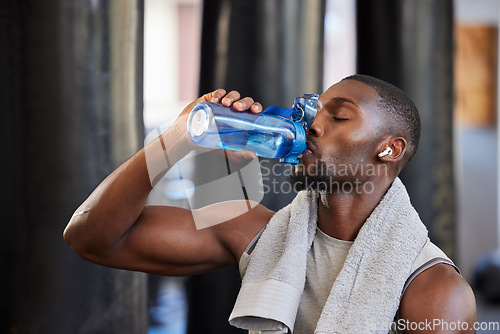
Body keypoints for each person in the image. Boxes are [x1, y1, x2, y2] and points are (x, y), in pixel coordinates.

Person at [64, 74, 477, 333]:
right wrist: (178, 137)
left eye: (339, 116)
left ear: (388, 150)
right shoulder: (264, 235)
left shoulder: (435, 291)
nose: (313, 124)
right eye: (316, 111)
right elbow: (91, 237)